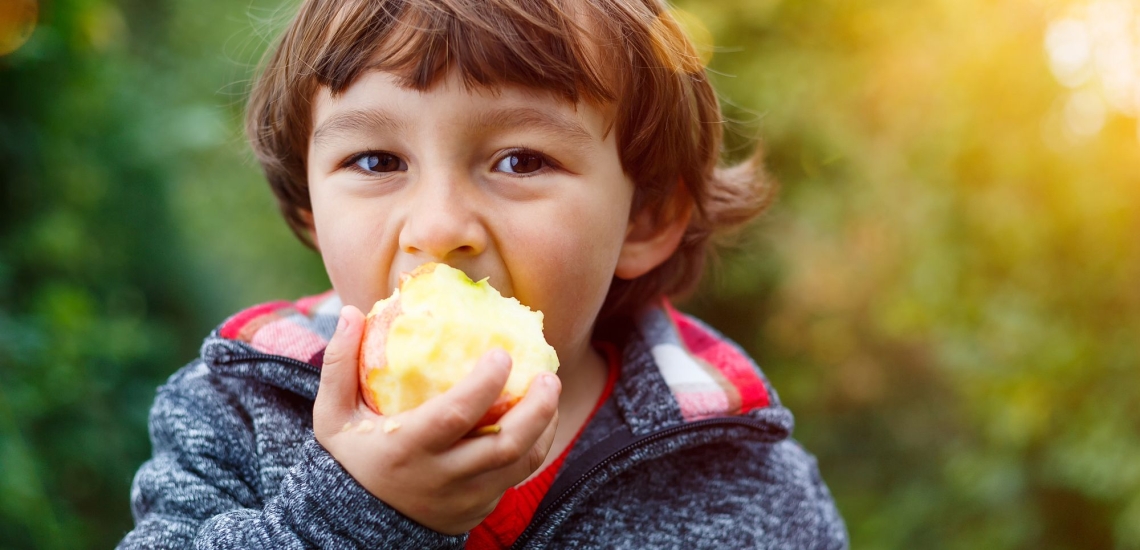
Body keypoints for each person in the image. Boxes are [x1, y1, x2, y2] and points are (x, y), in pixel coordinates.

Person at [118, 0, 848, 547]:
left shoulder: (745, 479)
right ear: (309, 205)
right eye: (376, 161)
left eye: (521, 161)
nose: (438, 228)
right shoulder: (235, 412)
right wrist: (356, 513)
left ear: (645, 219)